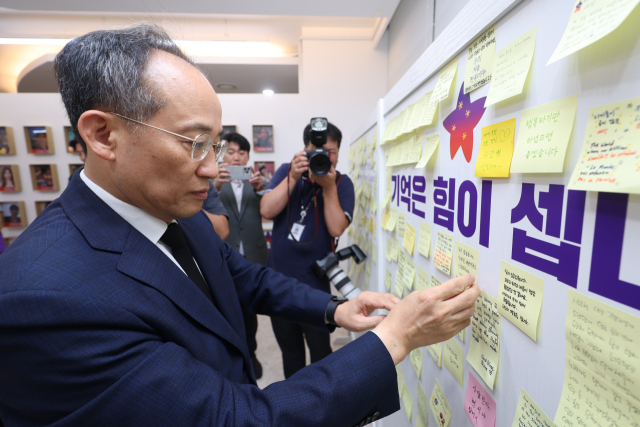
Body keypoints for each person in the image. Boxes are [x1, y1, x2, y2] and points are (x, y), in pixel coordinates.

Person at [0, 24, 480, 427]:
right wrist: (393, 338)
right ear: (103, 135)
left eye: (216, 144)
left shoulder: (171, 212)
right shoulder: (45, 300)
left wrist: (336, 310)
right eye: (194, 143)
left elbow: (239, 275)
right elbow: (235, 419)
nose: (212, 169)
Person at [260, 121, 357, 378]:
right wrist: (292, 177)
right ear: (305, 149)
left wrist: (328, 187)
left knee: (321, 354)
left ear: (337, 153)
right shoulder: (286, 171)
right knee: (290, 354)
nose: (324, 155)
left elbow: (336, 229)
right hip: (278, 282)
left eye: (331, 151)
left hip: (315, 287)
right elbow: (266, 210)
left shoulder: (342, 183)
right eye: (318, 149)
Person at [213, 132, 267, 379]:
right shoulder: (212, 180)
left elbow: (269, 210)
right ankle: (232, 357)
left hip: (253, 254)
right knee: (224, 307)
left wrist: (259, 189)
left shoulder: (258, 182)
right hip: (224, 254)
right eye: (231, 152)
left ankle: (252, 353)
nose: (236, 158)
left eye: (241, 153)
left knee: (250, 308)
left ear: (247, 157)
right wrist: (214, 185)